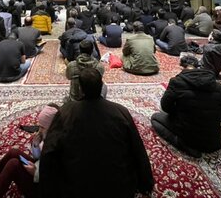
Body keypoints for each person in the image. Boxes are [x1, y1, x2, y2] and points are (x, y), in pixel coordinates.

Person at [40, 68, 154, 198]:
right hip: (118, 189)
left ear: (80, 89)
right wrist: (146, 183)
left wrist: (46, 188)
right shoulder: (120, 112)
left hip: (76, 189)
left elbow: (49, 151)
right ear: (101, 87)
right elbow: (137, 149)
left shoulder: (66, 112)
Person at [151, 55, 221, 157]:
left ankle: (183, 145)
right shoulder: (217, 85)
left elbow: (166, 107)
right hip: (215, 143)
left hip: (190, 139)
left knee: (155, 118)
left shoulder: (176, 82)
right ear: (198, 67)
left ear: (182, 67)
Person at [0, 105, 58, 198]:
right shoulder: (48, 136)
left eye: (42, 127)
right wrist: (35, 145)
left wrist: (36, 173)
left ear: (51, 127)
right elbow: (39, 158)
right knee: (14, 152)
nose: (39, 130)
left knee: (13, 164)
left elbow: (56, 177)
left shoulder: (57, 146)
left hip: (45, 188)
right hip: (40, 168)